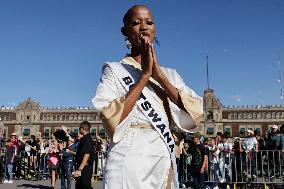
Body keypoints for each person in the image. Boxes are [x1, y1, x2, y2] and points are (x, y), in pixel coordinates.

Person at [92, 5, 203, 189]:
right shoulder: (114, 70)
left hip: (162, 153)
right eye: (136, 23)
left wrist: (159, 76)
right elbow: (110, 116)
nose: (144, 27)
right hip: (129, 155)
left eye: (149, 22)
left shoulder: (171, 75)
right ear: (125, 31)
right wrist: (144, 76)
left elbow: (195, 113)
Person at [74, 121, 95, 189]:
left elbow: (86, 155)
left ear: (83, 128)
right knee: (79, 186)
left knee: (85, 186)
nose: (79, 130)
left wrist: (80, 169)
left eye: (79, 128)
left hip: (85, 168)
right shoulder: (84, 139)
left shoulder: (87, 140)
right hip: (82, 166)